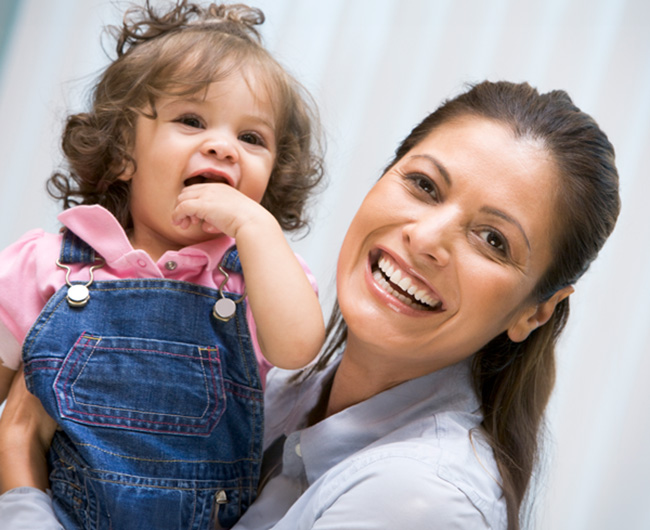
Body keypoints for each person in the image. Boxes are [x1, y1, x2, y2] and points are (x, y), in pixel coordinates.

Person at [0, 80, 620, 530]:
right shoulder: (272, 384)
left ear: (535, 311)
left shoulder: (419, 499)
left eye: (494, 240)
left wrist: (20, 473)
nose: (427, 240)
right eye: (423, 185)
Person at [0, 1, 325, 528]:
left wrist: (258, 229)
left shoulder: (255, 277)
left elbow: (298, 346)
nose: (222, 147)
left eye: (252, 138)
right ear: (125, 151)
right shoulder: (49, 264)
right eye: (191, 121)